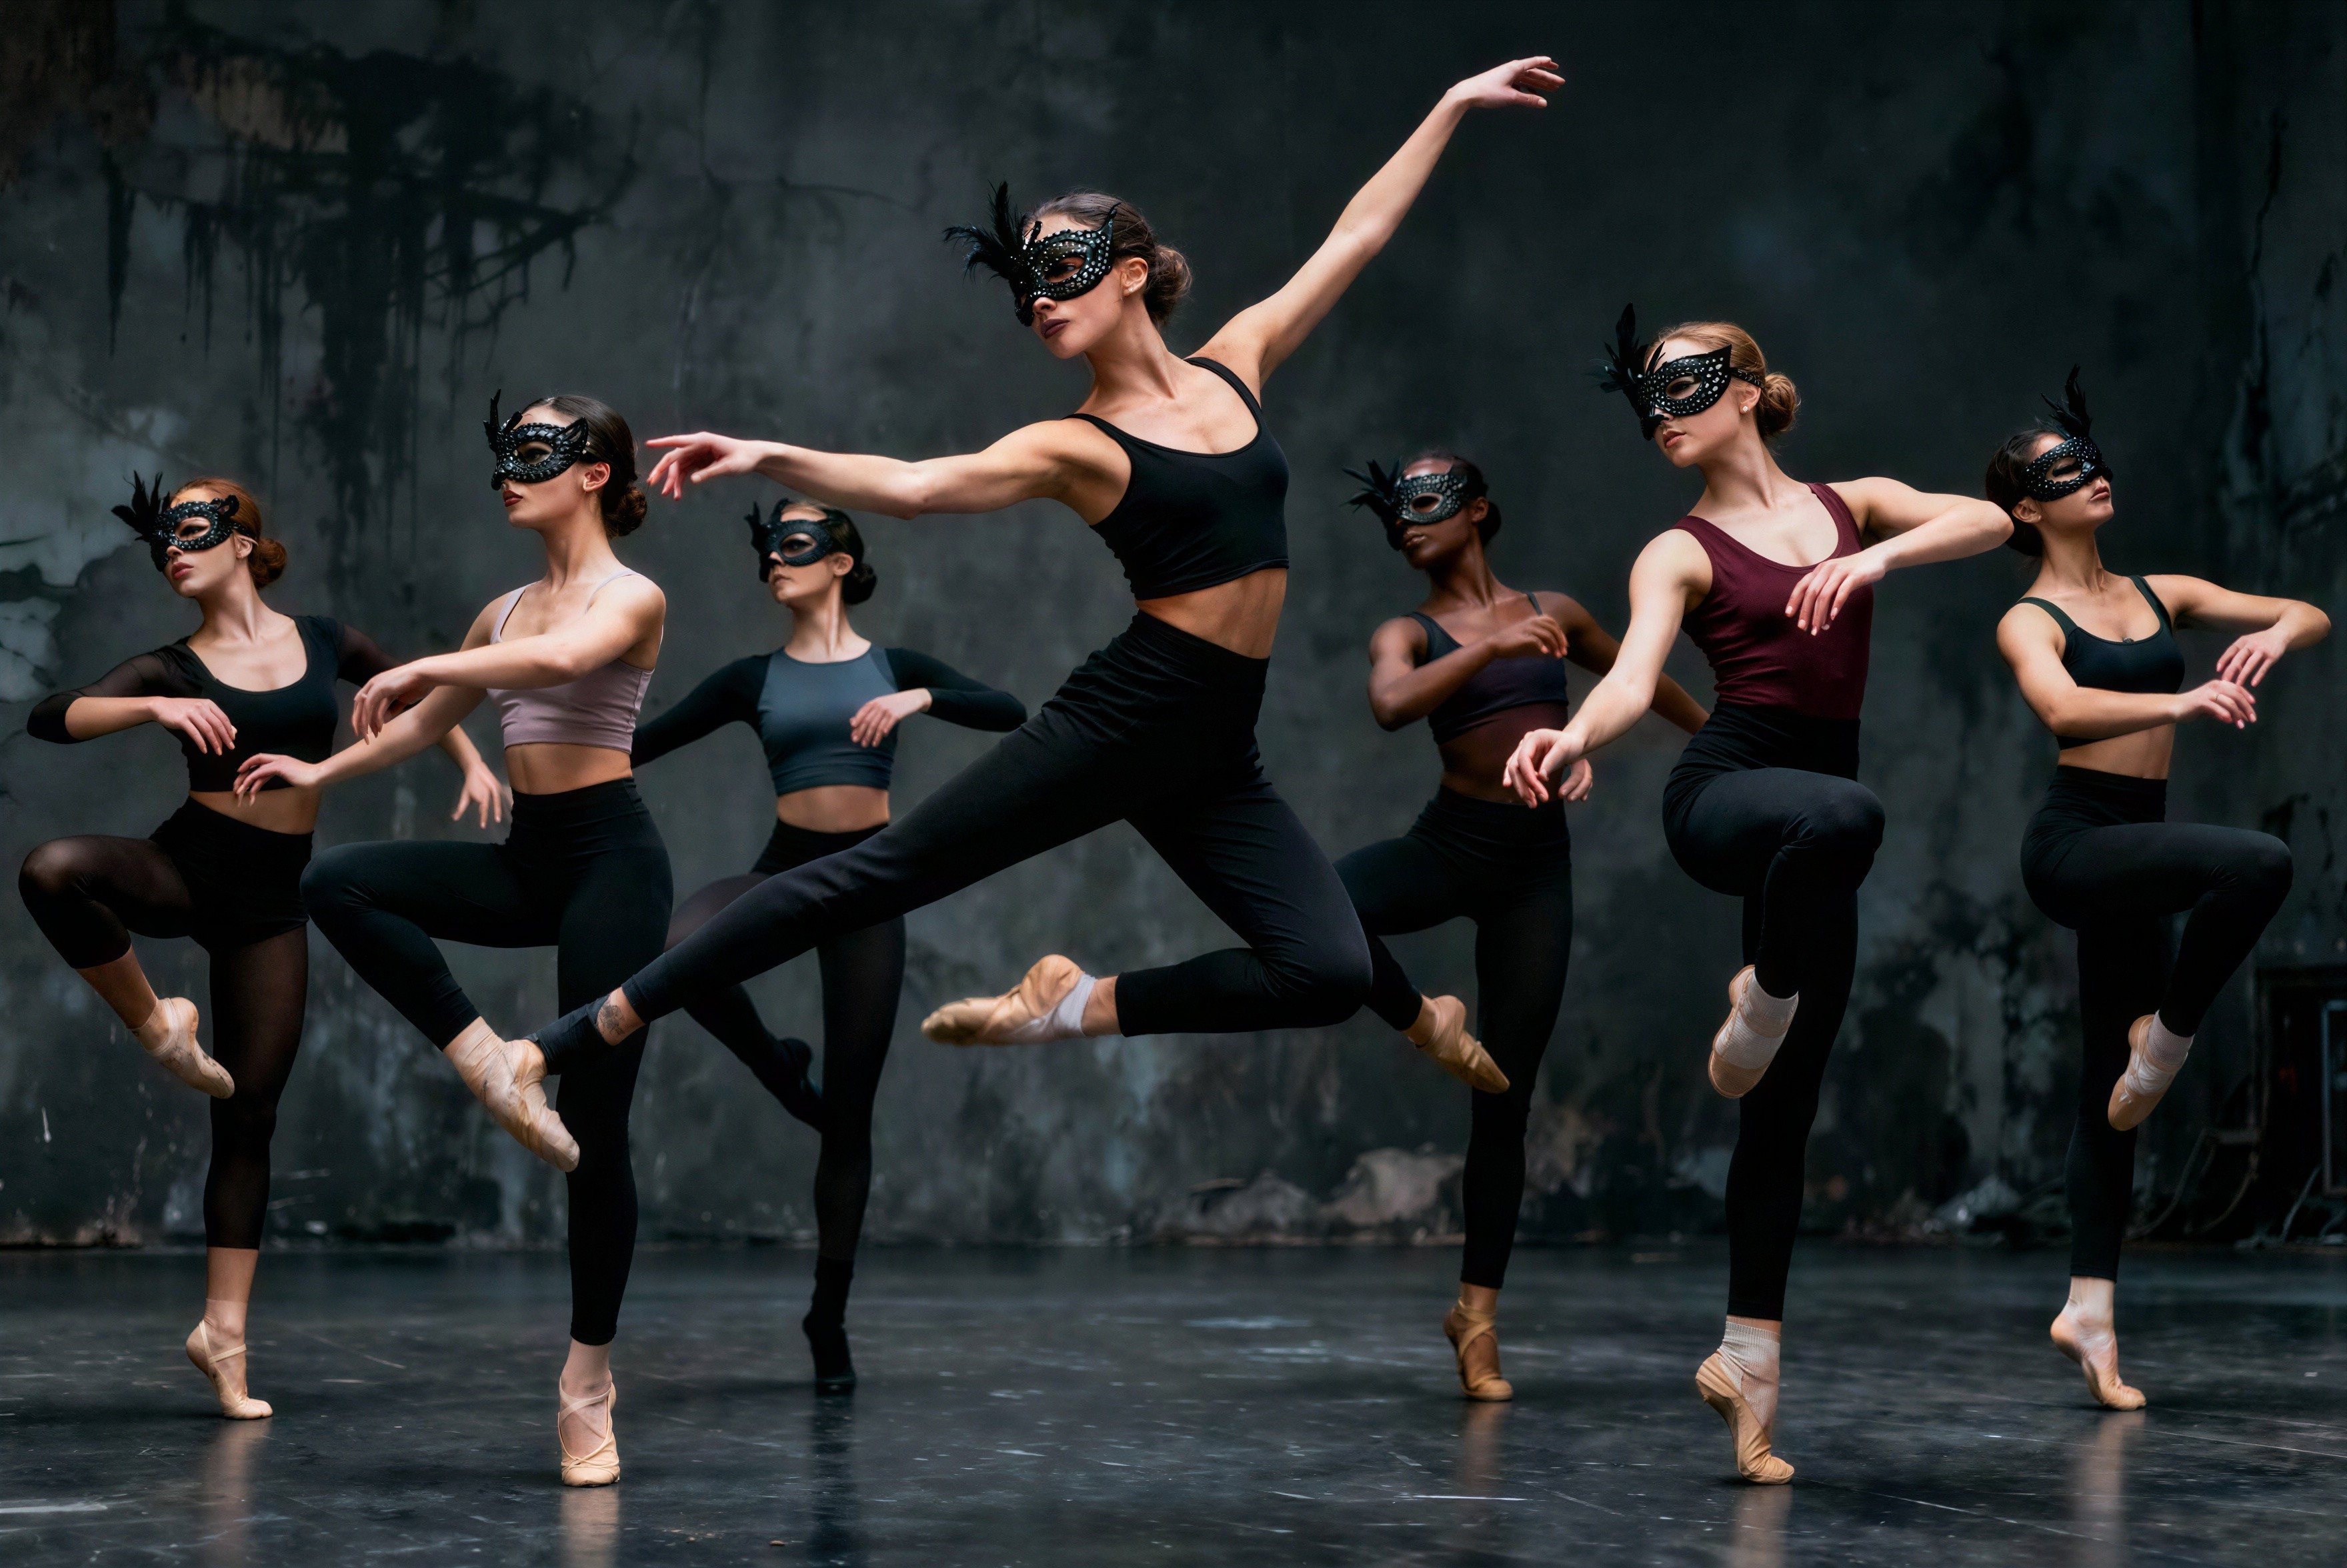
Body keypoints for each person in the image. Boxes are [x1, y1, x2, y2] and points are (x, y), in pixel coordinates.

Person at [519, 60, 1564, 1095]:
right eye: (1024, 288)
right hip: (1131, 716)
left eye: (1058, 272)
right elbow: (921, 485)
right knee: (876, 876)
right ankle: (577, 1036)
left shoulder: (1236, 363)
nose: (1037, 301)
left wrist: (1450, 104)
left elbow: (1357, 235)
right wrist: (767, 455)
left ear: (1129, 272)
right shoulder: (1079, 445)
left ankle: (1080, 1002)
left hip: (1212, 739)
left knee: (1328, 971)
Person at [1504, 309, 2011, 1483]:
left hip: (1811, 846)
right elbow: (1636, 674)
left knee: (1780, 1110)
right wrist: (1574, 734)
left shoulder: (1853, 504)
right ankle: (1761, 993)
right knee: (1851, 815)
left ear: (1742, 389)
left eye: (1680, 386)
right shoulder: (1677, 550)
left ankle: (1748, 1369)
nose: (1660, 414)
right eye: (1646, 400)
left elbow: (1991, 518)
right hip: (1729, 795)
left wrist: (1876, 555)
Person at [238, 395, 667, 1486]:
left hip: (612, 867)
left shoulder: (631, 597)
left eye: (532, 452)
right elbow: (431, 727)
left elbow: (546, 668)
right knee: (338, 881)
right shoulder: (503, 606)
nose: (507, 473)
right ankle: (487, 1061)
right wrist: (321, 773)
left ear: (595, 473)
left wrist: (433, 664)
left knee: (597, 1129)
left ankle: (587, 1382)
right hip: (531, 860)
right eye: (504, 453)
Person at [19, 475, 501, 1419]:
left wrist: (473, 759)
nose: (175, 551)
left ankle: (223, 1342)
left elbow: (423, 692)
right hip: (187, 864)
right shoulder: (172, 666)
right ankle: (158, 1023)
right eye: (163, 544)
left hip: (273, 903)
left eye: (192, 530)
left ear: (244, 541)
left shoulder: (324, 641)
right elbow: (51, 717)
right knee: (51, 869)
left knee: (248, 1118)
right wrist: (149, 710)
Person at [1337, 449, 1707, 1402]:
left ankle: (1477, 1318)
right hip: (1448, 847)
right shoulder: (1407, 633)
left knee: (1505, 1100)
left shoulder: (1557, 613)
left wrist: (1714, 743)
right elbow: (1388, 706)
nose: (1406, 523)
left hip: (1535, 875)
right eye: (1394, 515)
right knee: (1316, 915)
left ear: (1479, 510)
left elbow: (1641, 675)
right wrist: (1491, 651)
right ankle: (1426, 1016)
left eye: (1425, 504)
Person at [631, 497, 1025, 1391]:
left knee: (850, 1115)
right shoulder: (749, 678)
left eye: (796, 543)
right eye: (766, 547)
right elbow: (638, 742)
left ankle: (827, 1316)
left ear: (843, 562)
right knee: (681, 948)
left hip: (870, 885)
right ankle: (780, 1068)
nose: (776, 557)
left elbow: (1007, 709)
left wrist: (921, 695)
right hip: (785, 868)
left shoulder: (891, 664)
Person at [1989, 371, 2324, 1409]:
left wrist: (2277, 634)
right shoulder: (2028, 618)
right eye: (2060, 470)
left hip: (2138, 845)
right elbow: (2063, 711)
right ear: (2026, 510)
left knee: (2112, 1097)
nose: (2089, 474)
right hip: (2078, 844)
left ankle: (2090, 1311)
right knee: (2258, 862)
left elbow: (2304, 609)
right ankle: (2167, 1038)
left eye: (2088, 456)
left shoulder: (2156, 593)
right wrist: (2180, 702)